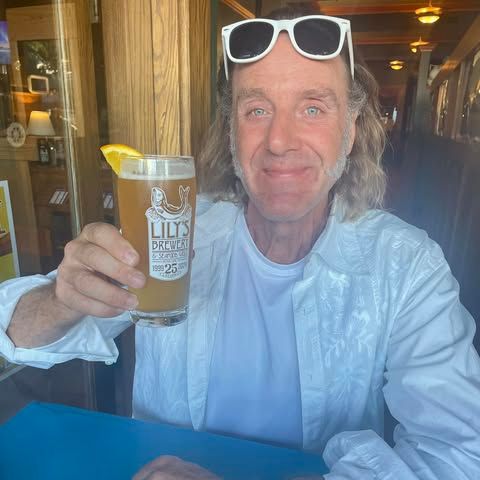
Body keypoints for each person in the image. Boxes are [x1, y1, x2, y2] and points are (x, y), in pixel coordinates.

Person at [1, 5, 480, 479]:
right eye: (257, 110)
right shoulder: (176, 230)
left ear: (351, 131)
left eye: (313, 108)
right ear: (231, 133)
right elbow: (17, 335)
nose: (279, 140)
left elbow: (461, 455)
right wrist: (61, 298)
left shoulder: (406, 265)